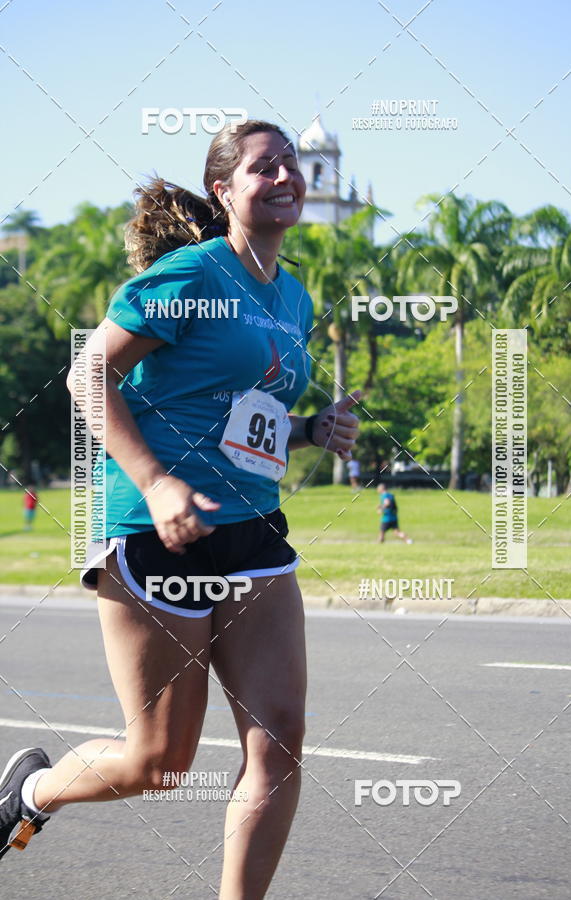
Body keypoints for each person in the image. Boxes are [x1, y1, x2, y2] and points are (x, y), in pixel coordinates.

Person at [0, 120, 361, 898]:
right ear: (225, 191)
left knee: (279, 742)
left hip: (252, 532)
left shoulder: (292, 298)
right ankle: (27, 795)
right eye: (264, 167)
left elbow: (240, 412)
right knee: (158, 765)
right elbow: (85, 378)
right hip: (156, 530)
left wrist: (309, 428)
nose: (287, 176)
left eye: (293, 164)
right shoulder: (188, 277)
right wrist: (160, 482)